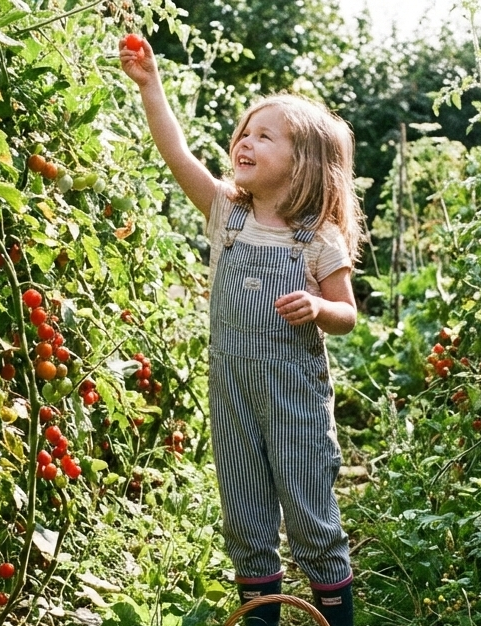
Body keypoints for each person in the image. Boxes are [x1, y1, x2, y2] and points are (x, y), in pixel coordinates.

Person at [119, 34, 362, 626]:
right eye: (243, 132)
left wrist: (317, 307)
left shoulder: (318, 239)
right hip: (232, 393)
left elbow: (348, 315)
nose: (244, 141)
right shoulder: (226, 213)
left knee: (309, 515)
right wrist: (151, 85)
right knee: (246, 516)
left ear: (301, 160)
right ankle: (260, 617)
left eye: (263, 135)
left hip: (294, 400)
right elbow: (177, 154)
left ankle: (336, 614)